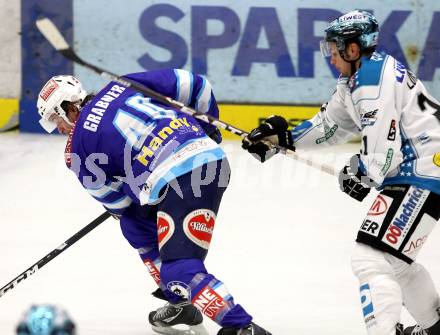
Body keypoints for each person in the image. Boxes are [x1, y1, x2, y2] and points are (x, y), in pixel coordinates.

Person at [242, 9, 440, 335]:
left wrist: (359, 173)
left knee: (371, 259)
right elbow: (330, 126)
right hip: (420, 172)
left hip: (423, 172)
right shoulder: (359, 77)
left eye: (335, 50)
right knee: (393, 260)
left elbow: (381, 158)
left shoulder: (371, 81)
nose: (330, 56)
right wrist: (282, 139)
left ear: (353, 48)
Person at [36, 69, 271, 335]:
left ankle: (243, 327)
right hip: (209, 162)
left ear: (70, 107)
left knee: (178, 269)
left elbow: (117, 203)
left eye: (56, 119)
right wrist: (208, 132)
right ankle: (180, 302)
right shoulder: (124, 83)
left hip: (184, 180)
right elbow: (197, 85)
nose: (59, 129)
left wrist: (136, 182)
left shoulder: (78, 148)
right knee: (134, 225)